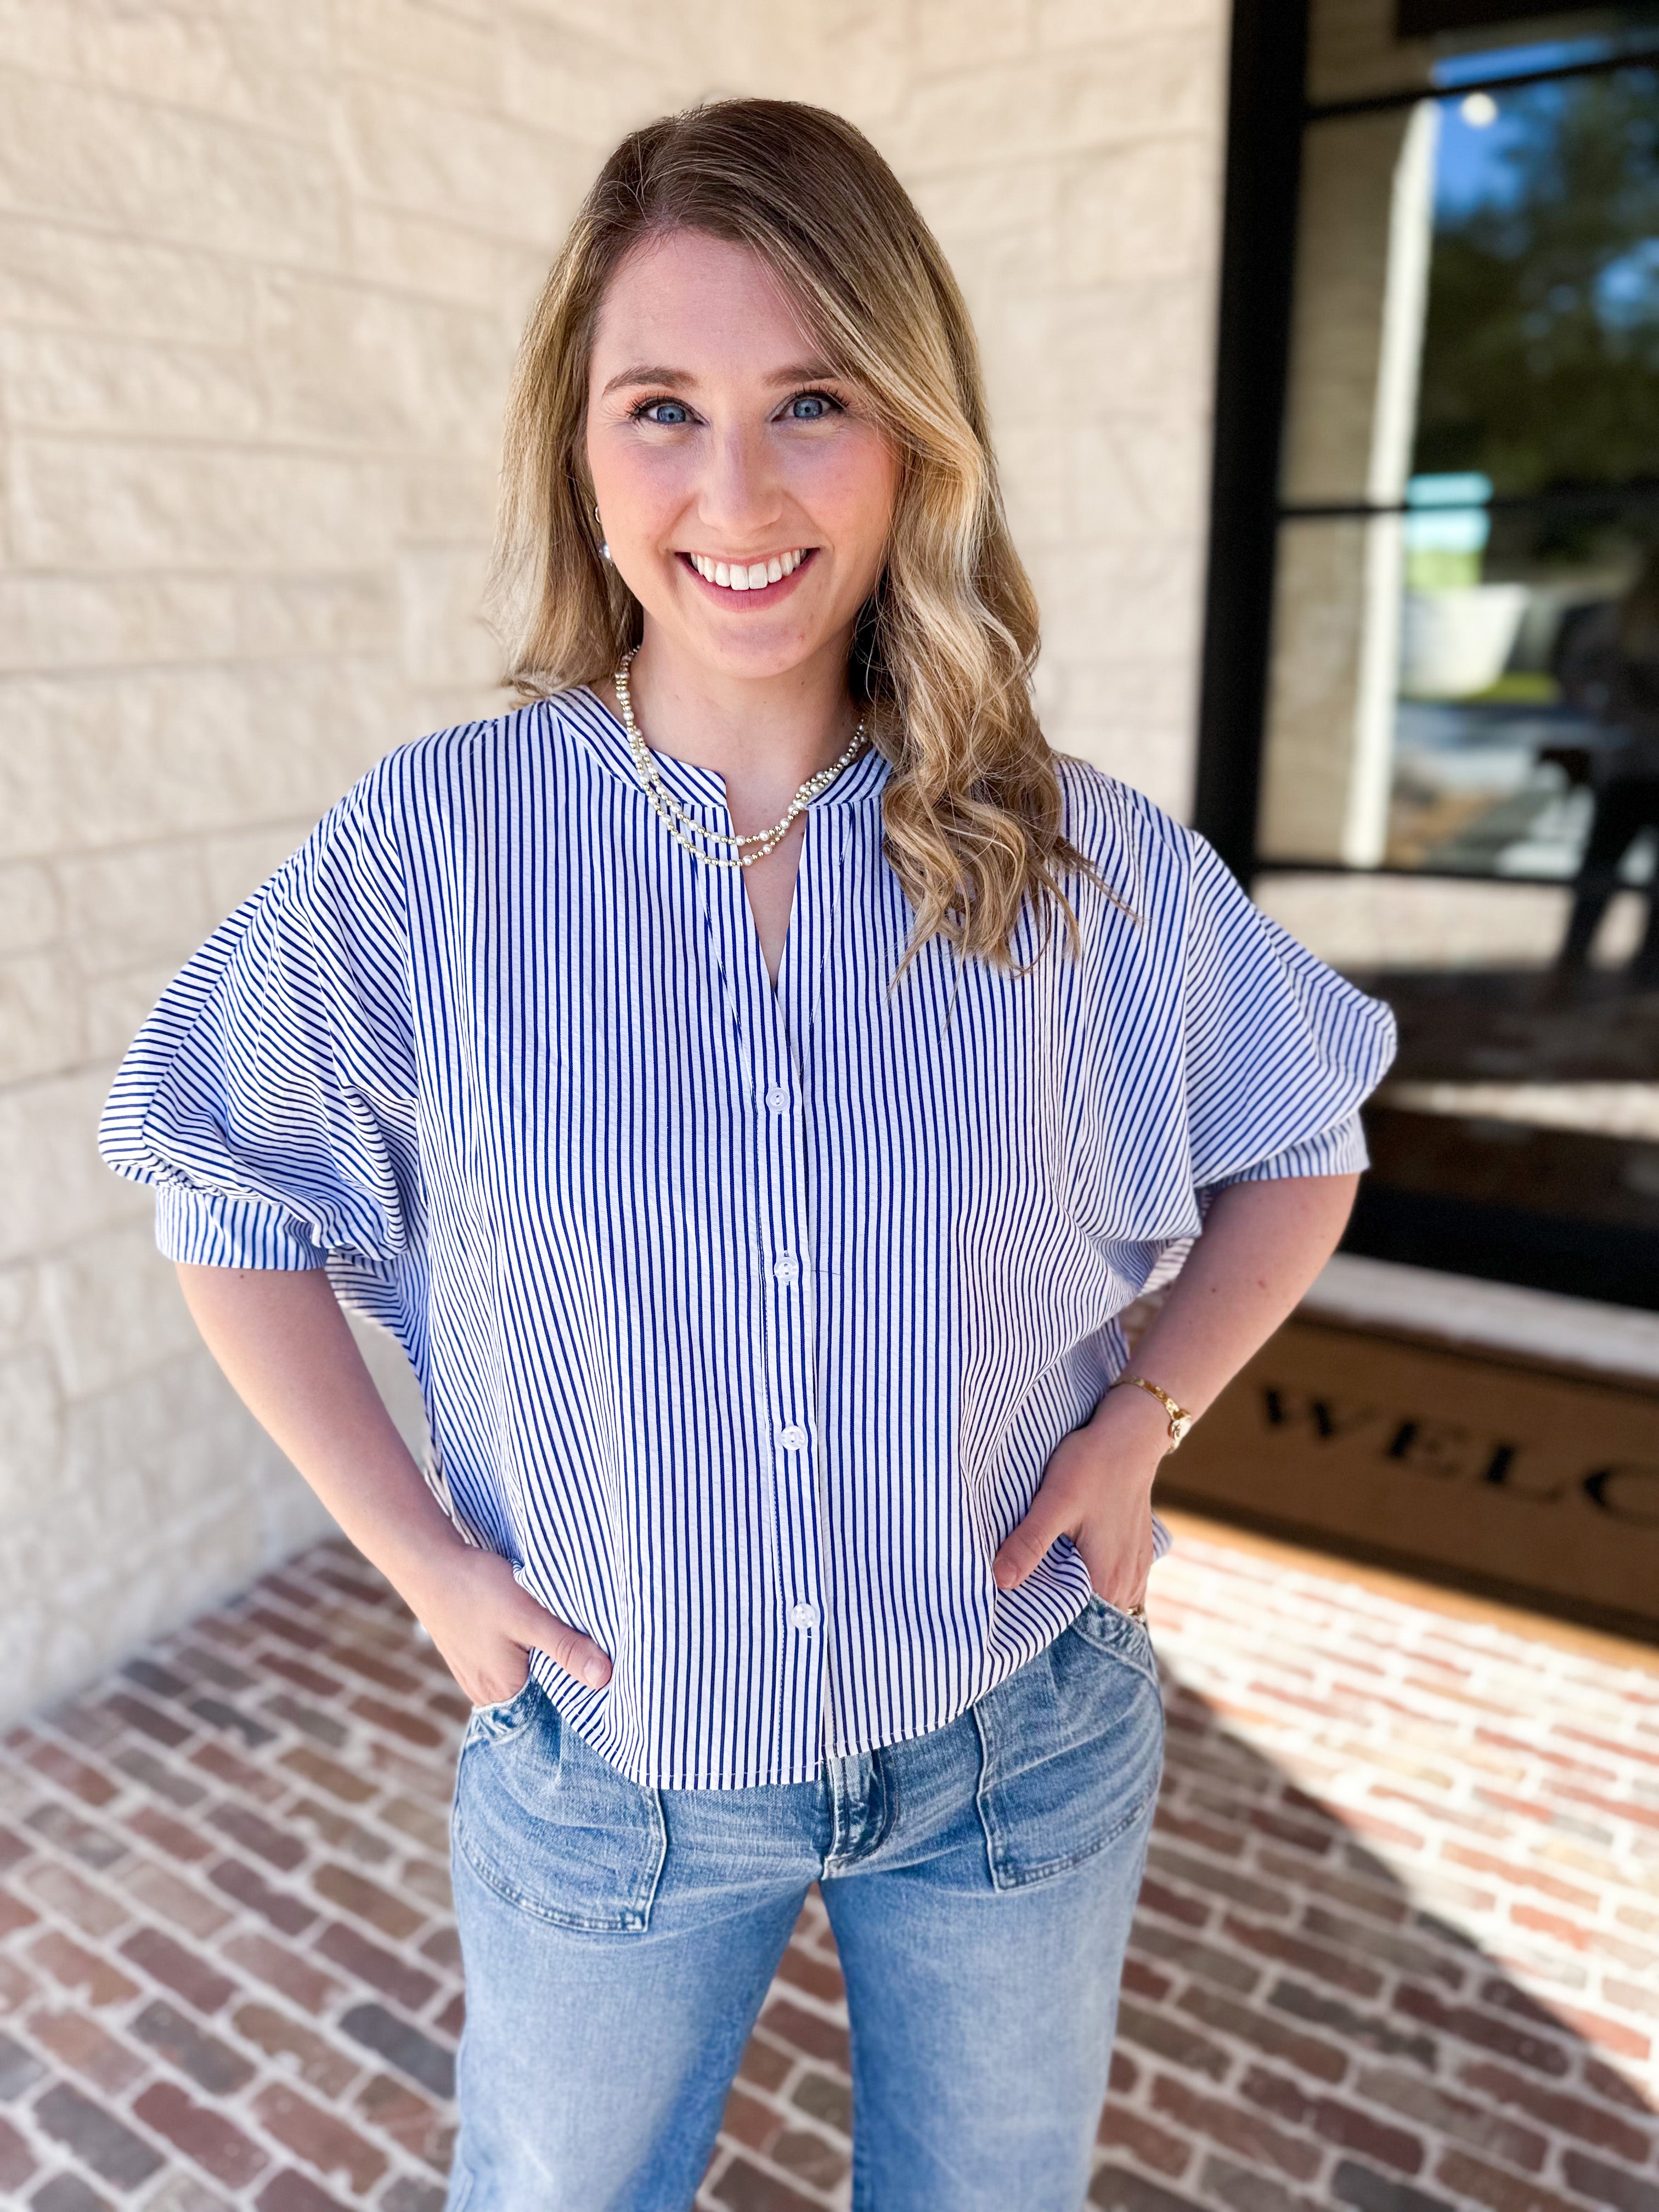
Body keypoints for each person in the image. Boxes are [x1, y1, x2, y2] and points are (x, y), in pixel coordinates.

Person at [100, 99, 1396, 2212]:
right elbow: (222, 1194)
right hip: (615, 1777)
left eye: (810, 400)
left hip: (1013, 1745)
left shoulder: (1074, 857)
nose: (736, 492)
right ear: (579, 453)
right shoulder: (433, 852)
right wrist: (420, 1560)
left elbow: (1300, 1132)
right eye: (661, 410)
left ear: (909, 436)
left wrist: (1141, 1422)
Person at [1554, 546, 1659, 987]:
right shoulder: (1621, 618)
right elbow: (1576, 673)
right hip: (1628, 762)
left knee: (1601, 867)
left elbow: (1576, 673)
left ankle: (1631, 969)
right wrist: (1611, 713)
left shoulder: (1620, 617)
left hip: (1626, 760)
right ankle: (1579, 963)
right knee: (1600, 866)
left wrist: (1610, 712)